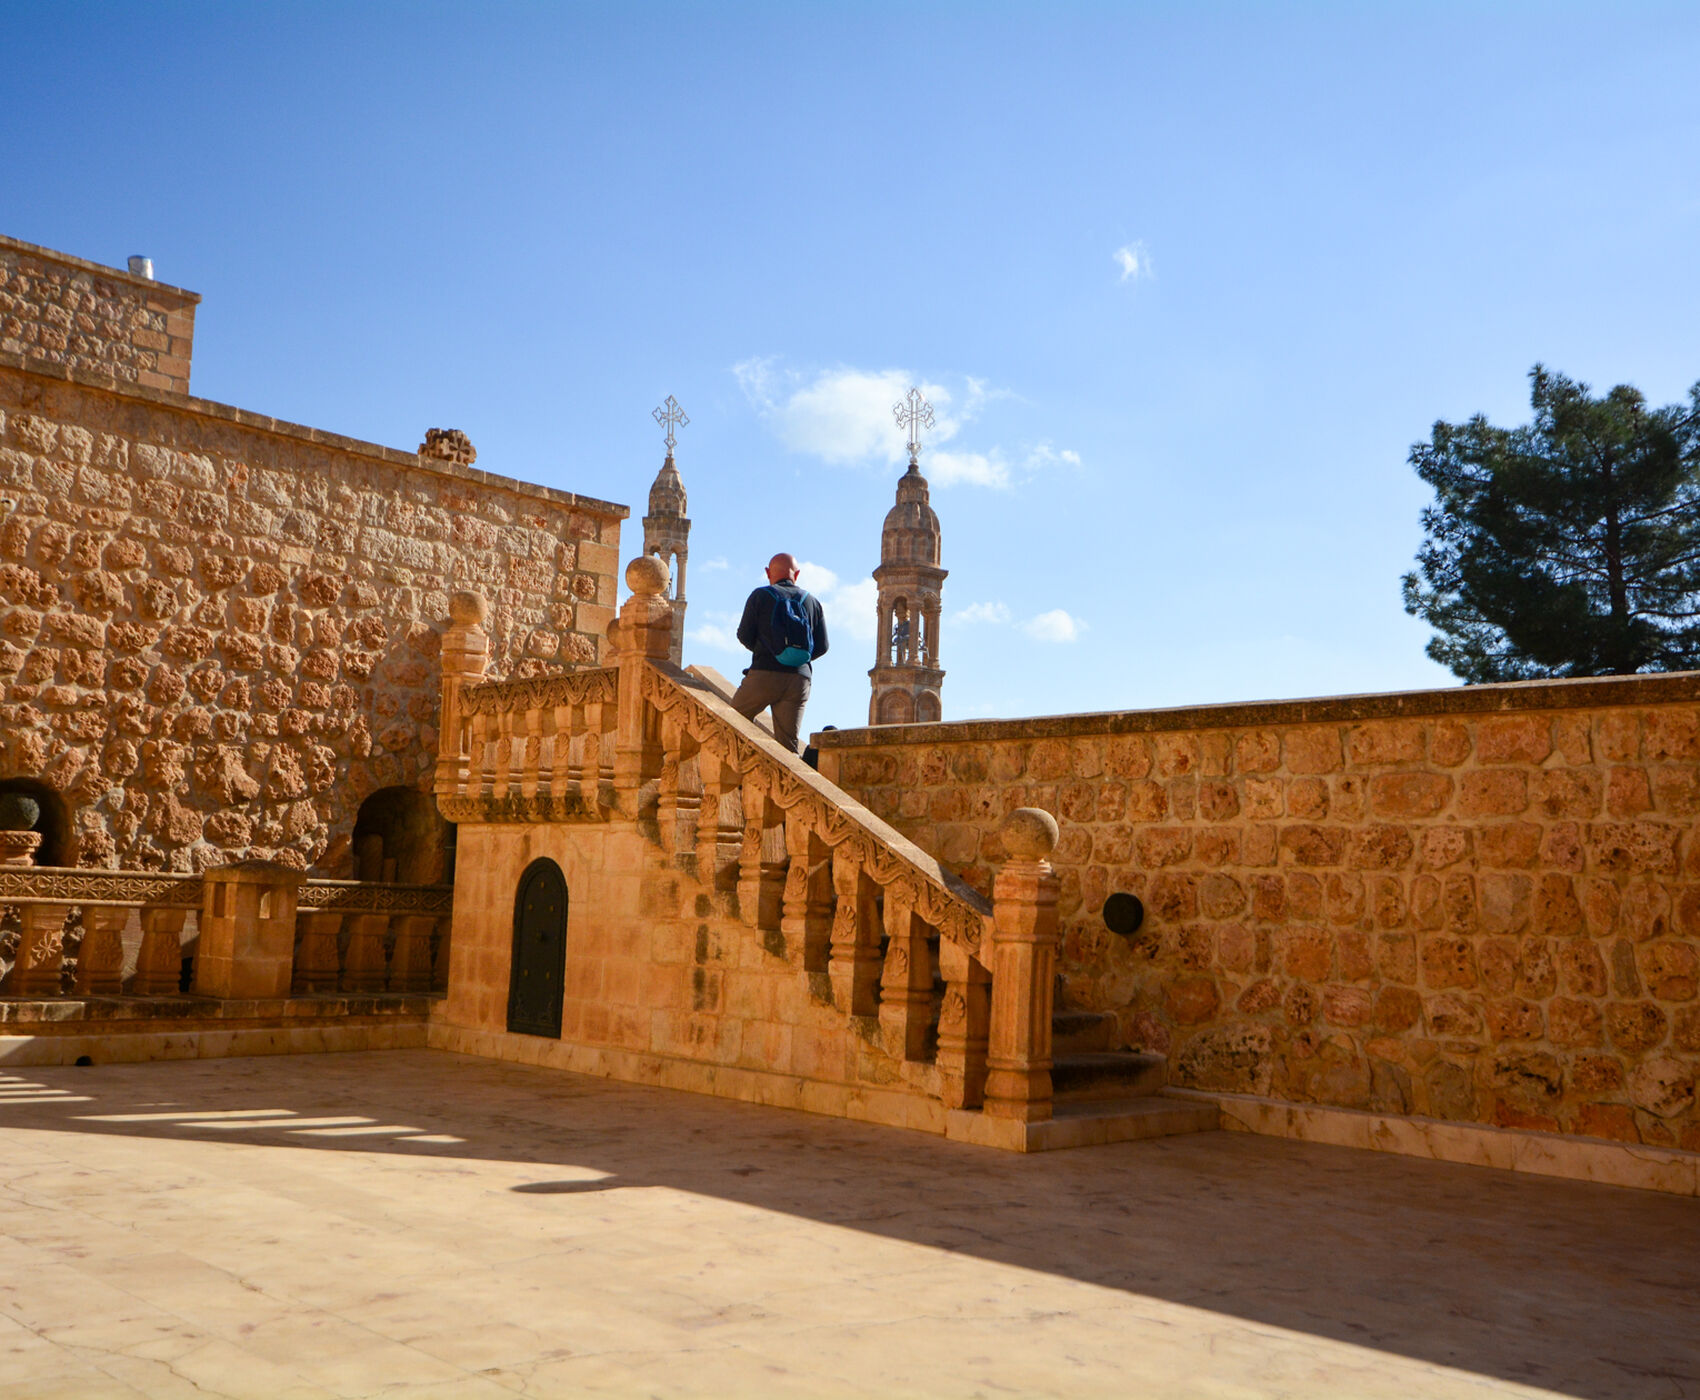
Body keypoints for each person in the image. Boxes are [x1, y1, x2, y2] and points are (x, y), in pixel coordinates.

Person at [731, 553, 828, 755]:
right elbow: (822, 646)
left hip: (764, 674)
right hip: (799, 680)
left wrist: (767, 653)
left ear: (768, 572)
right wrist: (797, 659)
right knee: (788, 747)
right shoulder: (812, 601)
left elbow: (744, 635)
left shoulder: (760, 596)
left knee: (732, 720)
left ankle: (741, 778)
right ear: (797, 574)